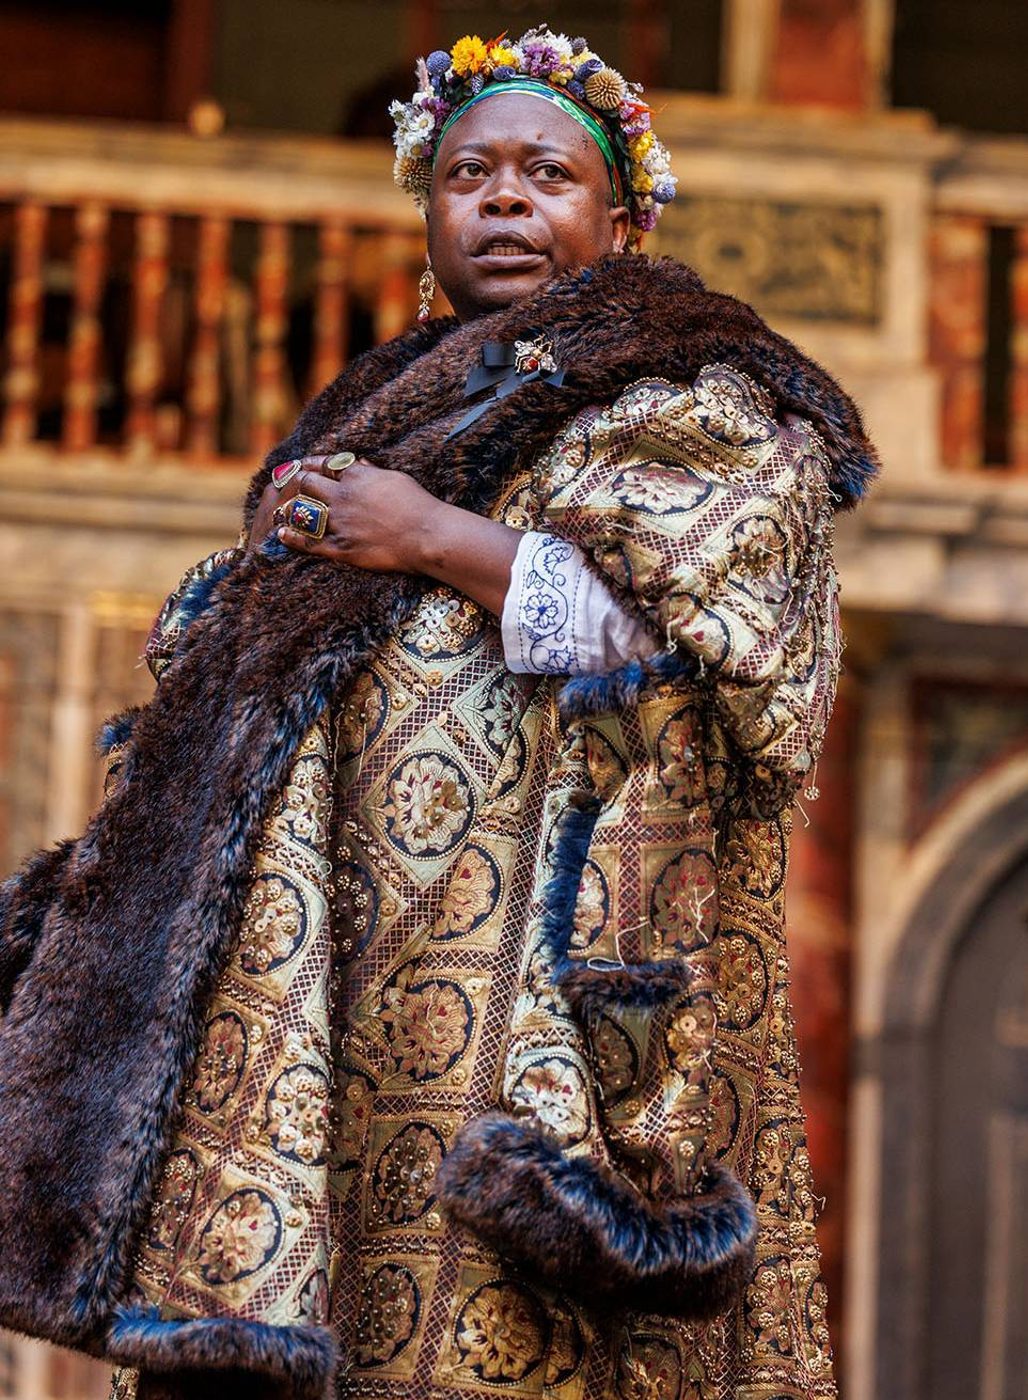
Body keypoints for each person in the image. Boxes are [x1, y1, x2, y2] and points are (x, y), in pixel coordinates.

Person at [0, 26, 875, 1400]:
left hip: (534, 989)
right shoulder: (388, 407)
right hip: (345, 965)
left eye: (548, 173)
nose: (507, 199)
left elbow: (690, 644)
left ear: (624, 213)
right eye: (470, 174)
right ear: (428, 212)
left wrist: (423, 536)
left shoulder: (702, 395)